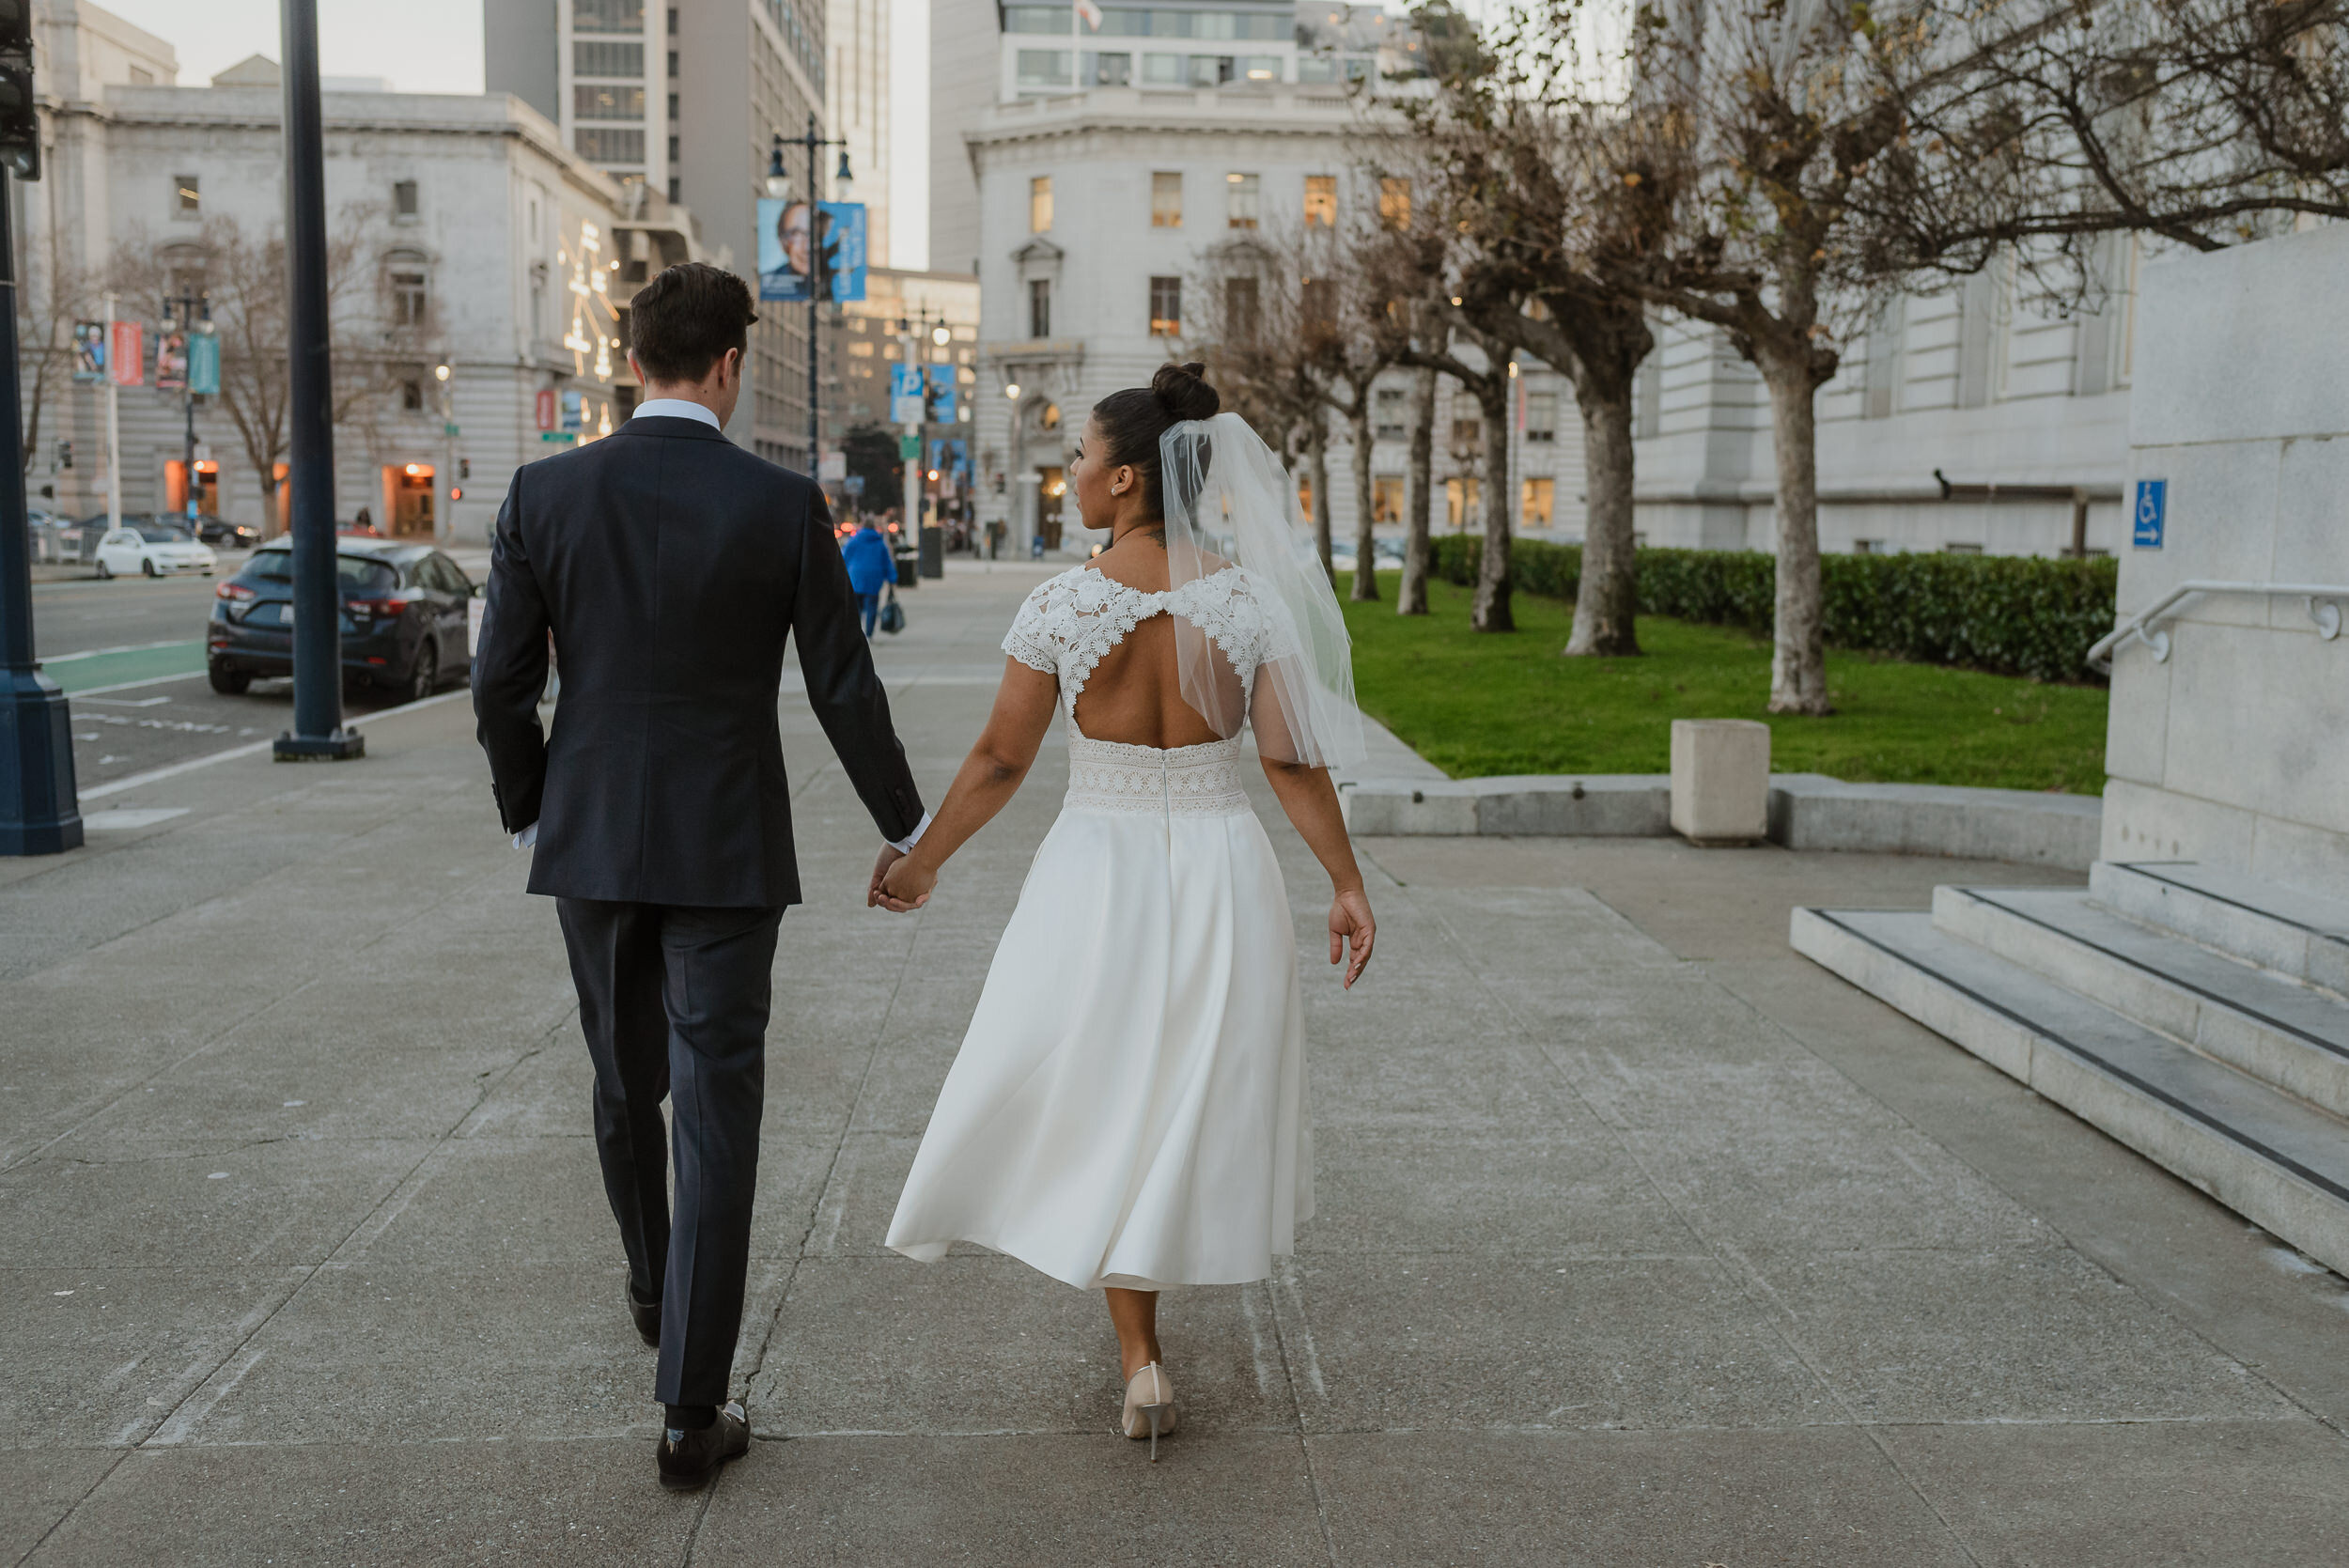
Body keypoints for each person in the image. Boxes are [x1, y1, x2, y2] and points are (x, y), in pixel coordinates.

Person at [473, 262, 928, 1492]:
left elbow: (501, 683)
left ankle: (648, 1278)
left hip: (593, 838)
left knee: (623, 1080)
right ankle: (690, 1406)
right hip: (726, 843)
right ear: (729, 365)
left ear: (633, 361)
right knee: (716, 1107)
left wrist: (532, 808)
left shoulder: (545, 491)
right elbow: (842, 681)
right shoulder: (782, 504)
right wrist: (906, 822)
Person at [874, 363, 1377, 1460]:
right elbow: (1289, 758)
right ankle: (1142, 1342)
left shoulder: (1065, 602)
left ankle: (1138, 1355)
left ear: (1130, 480)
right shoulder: (1244, 600)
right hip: (1219, 864)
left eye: (1083, 462)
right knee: (1186, 1089)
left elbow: (1002, 759)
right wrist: (1344, 881)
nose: (1072, 477)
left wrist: (925, 859)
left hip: (1095, 868)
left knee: (1103, 1086)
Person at [840, 515, 895, 634]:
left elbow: (843, 557)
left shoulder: (854, 540)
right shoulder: (879, 543)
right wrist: (892, 578)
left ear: (862, 526)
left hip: (856, 578)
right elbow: (887, 562)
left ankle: (857, 633)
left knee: (856, 608)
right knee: (871, 607)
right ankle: (869, 634)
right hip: (874, 579)